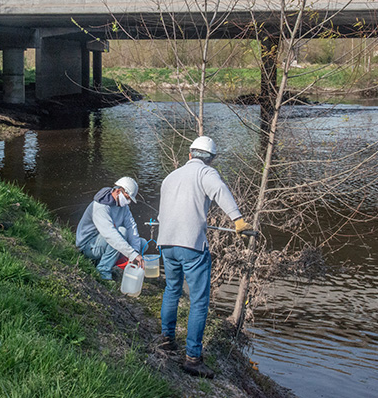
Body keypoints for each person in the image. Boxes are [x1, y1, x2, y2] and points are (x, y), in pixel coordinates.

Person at [156, 136, 254, 378]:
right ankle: (192, 358)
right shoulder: (206, 174)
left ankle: (166, 339)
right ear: (211, 159)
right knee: (199, 301)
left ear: (189, 154)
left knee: (171, 290)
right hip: (190, 245)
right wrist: (238, 220)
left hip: (166, 243)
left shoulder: (170, 177)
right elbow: (220, 191)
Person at [75, 177, 146, 280]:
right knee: (121, 232)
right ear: (118, 191)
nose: (128, 201)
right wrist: (131, 254)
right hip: (89, 246)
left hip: (104, 243)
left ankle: (107, 263)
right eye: (127, 197)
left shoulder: (123, 206)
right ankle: (103, 272)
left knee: (142, 244)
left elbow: (131, 227)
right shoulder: (100, 206)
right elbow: (110, 235)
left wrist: (135, 251)